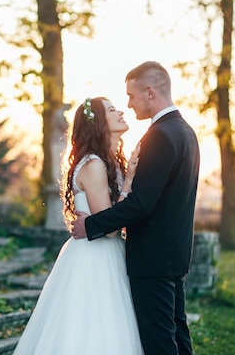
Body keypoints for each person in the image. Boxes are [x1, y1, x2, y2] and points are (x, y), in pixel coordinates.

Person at [71, 61, 200, 355]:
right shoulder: (185, 131)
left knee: (159, 342)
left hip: (152, 259)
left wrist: (90, 225)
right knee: (178, 336)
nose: (128, 105)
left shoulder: (159, 136)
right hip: (174, 255)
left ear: (150, 92)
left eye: (131, 96)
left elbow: (142, 204)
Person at [12, 96, 143, 355]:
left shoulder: (109, 161)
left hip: (109, 253)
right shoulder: (94, 165)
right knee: (93, 327)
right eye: (111, 110)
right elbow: (110, 228)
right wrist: (128, 182)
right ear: (98, 124)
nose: (120, 112)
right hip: (95, 257)